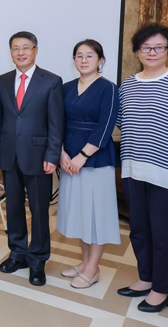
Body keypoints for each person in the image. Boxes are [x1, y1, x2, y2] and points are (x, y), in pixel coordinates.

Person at [117, 23, 168, 313]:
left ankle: (163, 287)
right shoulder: (128, 85)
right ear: (137, 51)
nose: (152, 52)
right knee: (139, 230)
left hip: (166, 173)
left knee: (163, 233)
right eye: (146, 47)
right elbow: (117, 124)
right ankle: (146, 277)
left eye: (159, 47)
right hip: (132, 169)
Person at [0, 31, 64, 286]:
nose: (20, 52)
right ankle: (18, 252)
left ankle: (38, 260)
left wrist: (52, 155)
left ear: (35, 50)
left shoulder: (52, 81)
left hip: (39, 156)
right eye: (15, 48)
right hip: (9, 155)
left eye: (25, 47)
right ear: (10, 52)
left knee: (39, 210)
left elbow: (56, 123)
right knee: (13, 208)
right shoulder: (1, 81)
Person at [57, 39, 120, 289]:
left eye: (90, 56)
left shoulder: (109, 88)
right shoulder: (66, 87)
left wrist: (82, 156)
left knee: (97, 216)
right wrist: (61, 152)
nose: (84, 60)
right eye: (79, 56)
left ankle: (93, 268)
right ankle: (84, 262)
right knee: (81, 213)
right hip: (68, 159)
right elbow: (58, 122)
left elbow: (106, 127)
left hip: (95, 160)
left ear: (100, 60)